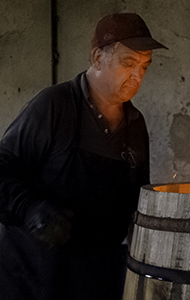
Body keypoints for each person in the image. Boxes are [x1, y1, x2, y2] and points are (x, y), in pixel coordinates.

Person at [0, 13, 167, 300]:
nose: (138, 76)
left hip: (95, 281)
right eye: (129, 64)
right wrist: (31, 208)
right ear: (98, 58)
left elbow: (138, 201)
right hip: (32, 279)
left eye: (144, 66)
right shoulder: (54, 106)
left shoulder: (135, 124)